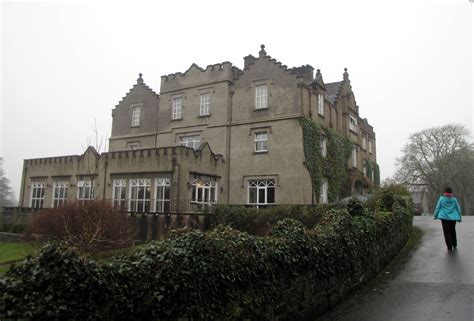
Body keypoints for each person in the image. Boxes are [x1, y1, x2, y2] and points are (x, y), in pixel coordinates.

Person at [434, 187, 462, 251]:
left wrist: (435, 215)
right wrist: (460, 217)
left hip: (444, 218)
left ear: (445, 192)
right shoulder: (454, 200)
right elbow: (458, 209)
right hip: (453, 219)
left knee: (446, 233)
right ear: (451, 192)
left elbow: (437, 208)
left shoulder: (442, 199)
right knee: (452, 231)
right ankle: (454, 244)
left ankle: (449, 247)